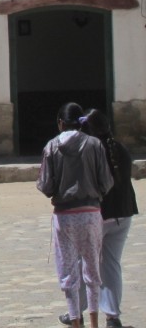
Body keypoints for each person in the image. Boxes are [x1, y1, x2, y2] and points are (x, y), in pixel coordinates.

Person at [58, 109, 139, 328]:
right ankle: (112, 317)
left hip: (96, 213)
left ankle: (77, 311)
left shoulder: (89, 150)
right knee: (110, 263)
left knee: (84, 263)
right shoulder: (119, 149)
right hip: (123, 212)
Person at [37, 103, 114, 328]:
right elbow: (106, 181)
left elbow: (45, 184)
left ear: (60, 122)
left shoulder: (51, 146)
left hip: (64, 216)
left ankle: (75, 320)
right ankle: (94, 322)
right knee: (92, 270)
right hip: (91, 213)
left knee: (69, 272)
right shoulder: (94, 144)